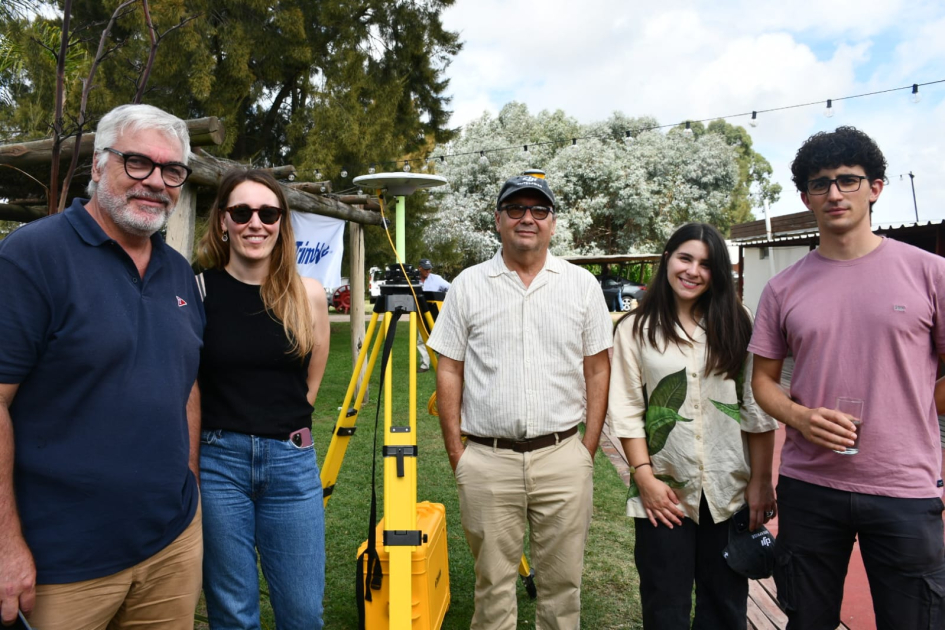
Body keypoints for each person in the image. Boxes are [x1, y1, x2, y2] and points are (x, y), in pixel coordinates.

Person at [0, 104, 203, 629]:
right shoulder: (31, 257)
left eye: (172, 170)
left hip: (170, 545)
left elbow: (186, 381)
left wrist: (189, 483)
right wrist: (5, 545)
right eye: (138, 162)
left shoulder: (178, 271)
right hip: (62, 564)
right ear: (97, 164)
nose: (155, 182)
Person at [749, 126, 945, 629]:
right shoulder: (782, 289)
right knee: (807, 619)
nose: (834, 193)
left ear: (875, 187)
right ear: (805, 197)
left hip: (904, 486)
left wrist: (918, 404)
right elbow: (763, 382)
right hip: (810, 484)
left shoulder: (930, 273)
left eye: (848, 180)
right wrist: (801, 417)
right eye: (820, 184)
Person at [428, 173, 613, 629]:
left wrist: (585, 450)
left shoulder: (581, 285)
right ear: (498, 220)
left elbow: (598, 368)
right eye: (516, 209)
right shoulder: (469, 285)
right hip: (489, 461)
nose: (527, 218)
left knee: (562, 588)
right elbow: (448, 367)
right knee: (492, 588)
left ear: (553, 223)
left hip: (562, 457)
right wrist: (458, 452)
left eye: (539, 210)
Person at [608, 222, 778, 629]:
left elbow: (755, 407)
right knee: (664, 604)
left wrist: (760, 481)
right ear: (667, 259)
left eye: (705, 264)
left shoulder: (737, 320)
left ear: (717, 272)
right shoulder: (635, 329)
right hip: (664, 492)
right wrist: (644, 477)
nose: (693, 271)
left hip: (728, 488)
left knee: (725, 606)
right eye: (685, 258)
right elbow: (628, 411)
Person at [195, 169, 330, 630]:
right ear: (223, 222)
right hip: (219, 465)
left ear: (281, 221)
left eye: (268, 212)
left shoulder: (306, 293)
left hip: (291, 464)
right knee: (233, 613)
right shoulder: (198, 292)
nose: (256, 222)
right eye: (242, 211)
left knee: (303, 611)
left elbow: (310, 383)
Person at [416, 258, 450, 373]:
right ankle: (425, 365)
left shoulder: (437, 279)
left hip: (436, 313)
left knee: (440, 338)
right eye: (425, 269)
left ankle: (445, 363)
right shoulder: (413, 280)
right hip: (420, 314)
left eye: (429, 269)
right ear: (419, 268)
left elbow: (451, 288)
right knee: (422, 339)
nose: (428, 271)